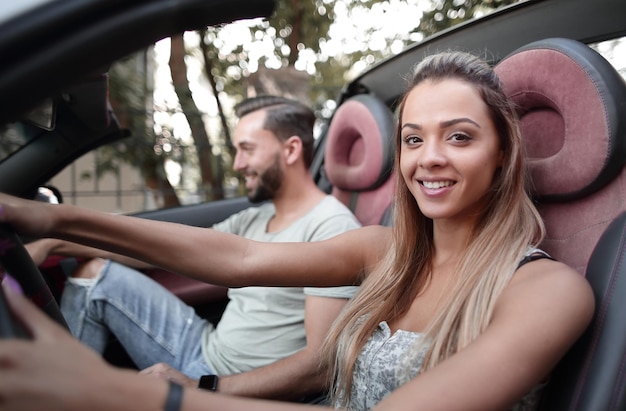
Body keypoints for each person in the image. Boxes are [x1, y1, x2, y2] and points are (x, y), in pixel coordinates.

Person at [0, 51, 594, 411]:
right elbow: (240, 261)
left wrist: (147, 397)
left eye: (459, 137)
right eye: (414, 138)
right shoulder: (386, 251)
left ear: (501, 155)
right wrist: (55, 218)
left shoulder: (548, 291)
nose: (428, 157)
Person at [19, 95, 361, 401]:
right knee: (93, 275)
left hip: (235, 387)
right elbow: (165, 247)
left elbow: (321, 365)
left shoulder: (332, 226)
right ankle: (64, 393)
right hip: (205, 346)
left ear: (290, 150)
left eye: (247, 149)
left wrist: (202, 388)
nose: (238, 164)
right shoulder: (254, 218)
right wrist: (55, 243)